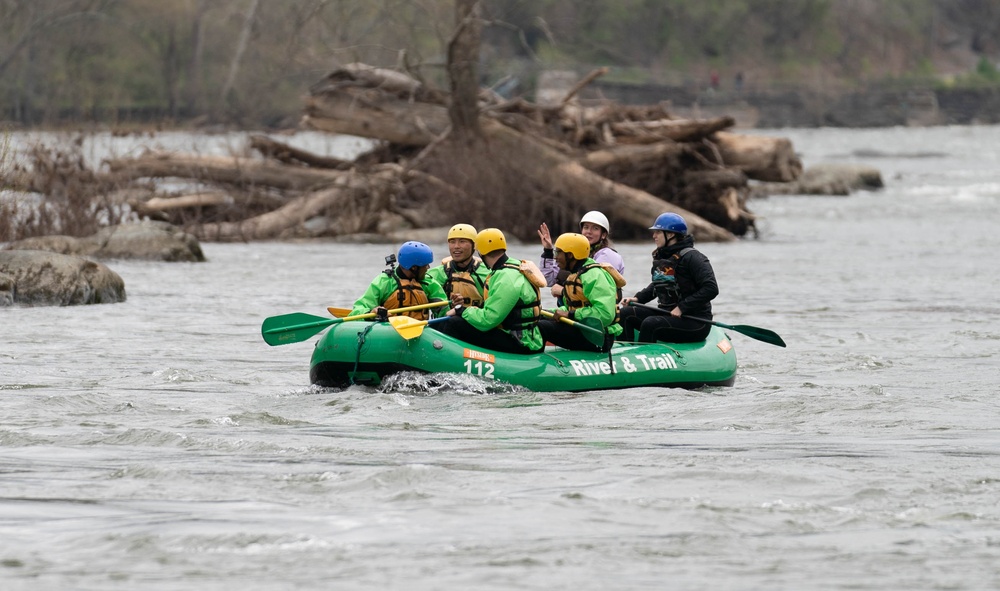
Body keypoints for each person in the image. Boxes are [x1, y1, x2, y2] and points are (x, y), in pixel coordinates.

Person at [433, 228, 545, 354]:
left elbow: (488, 320)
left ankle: (444, 357)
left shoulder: (505, 278)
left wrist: (461, 309)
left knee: (454, 323)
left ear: (480, 252)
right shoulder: (513, 266)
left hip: (520, 342)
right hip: (521, 336)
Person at [618, 213, 719, 343]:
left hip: (695, 321)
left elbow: (711, 288)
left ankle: (646, 358)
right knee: (625, 314)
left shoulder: (694, 258)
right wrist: (638, 298)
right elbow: (659, 283)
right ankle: (624, 354)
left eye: (658, 232)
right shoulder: (663, 256)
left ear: (671, 235)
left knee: (650, 323)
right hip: (667, 315)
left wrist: (682, 307)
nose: (654, 236)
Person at [537, 233, 623, 352]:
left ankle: (532, 359)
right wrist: (547, 312)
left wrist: (570, 315)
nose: (555, 257)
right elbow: (571, 307)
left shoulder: (594, 276)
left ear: (570, 255)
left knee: (542, 327)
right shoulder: (575, 274)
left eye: (558, 252)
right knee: (538, 319)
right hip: (583, 330)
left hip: (598, 338)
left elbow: (605, 314)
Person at [538, 210, 625, 302]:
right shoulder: (573, 254)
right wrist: (548, 250)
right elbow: (548, 279)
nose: (589, 232)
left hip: (592, 311)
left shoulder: (607, 255)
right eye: (586, 227)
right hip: (572, 309)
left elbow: (599, 290)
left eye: (595, 228)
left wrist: (563, 291)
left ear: (603, 235)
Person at [350, 241, 446, 320]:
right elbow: (358, 309)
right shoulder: (384, 282)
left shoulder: (429, 283)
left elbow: (444, 311)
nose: (428, 268)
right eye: (425, 265)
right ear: (414, 268)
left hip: (422, 331)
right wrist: (371, 313)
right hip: (388, 330)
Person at [424, 223, 490, 314]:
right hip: (444, 325)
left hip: (476, 325)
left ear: (474, 245)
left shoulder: (487, 273)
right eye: (452, 242)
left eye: (462, 241)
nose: (456, 246)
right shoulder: (436, 274)